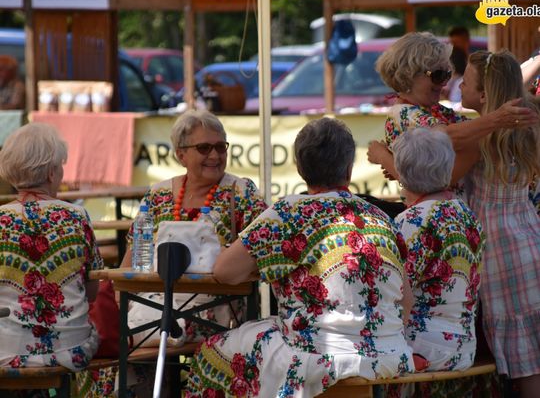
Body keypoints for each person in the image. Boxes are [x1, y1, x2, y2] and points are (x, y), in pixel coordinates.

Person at [186, 117, 415, 397]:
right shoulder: (380, 216)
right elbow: (407, 302)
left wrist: (268, 266)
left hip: (320, 356)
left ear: (300, 168)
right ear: (349, 169)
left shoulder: (288, 212)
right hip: (392, 356)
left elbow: (224, 272)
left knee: (211, 353)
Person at [76, 109, 268, 397]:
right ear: (181, 154)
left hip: (213, 308)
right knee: (111, 339)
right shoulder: (159, 194)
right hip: (150, 302)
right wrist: (120, 301)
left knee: (133, 336)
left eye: (220, 147)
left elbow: (260, 252)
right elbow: (132, 258)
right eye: (204, 148)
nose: (215, 155)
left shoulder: (241, 193)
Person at [458, 50, 540, 398]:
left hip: (499, 254)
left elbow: (432, 157)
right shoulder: (529, 125)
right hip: (529, 237)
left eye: (466, 80)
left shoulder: (479, 139)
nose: (459, 84)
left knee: (527, 369)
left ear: (484, 95)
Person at [367, 32, 537, 186]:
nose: (445, 83)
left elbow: (470, 133)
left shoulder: (432, 109)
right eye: (438, 75)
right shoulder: (404, 114)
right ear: (408, 75)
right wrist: (497, 118)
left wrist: (387, 160)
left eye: (447, 74)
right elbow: (445, 138)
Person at [0, 124, 103, 372]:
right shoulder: (77, 216)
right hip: (72, 351)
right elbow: (92, 293)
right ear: (50, 173)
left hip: (6, 352)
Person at [393, 128, 485, 373]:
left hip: (423, 348)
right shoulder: (467, 214)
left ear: (402, 172)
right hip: (465, 346)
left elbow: (398, 295)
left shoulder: (411, 221)